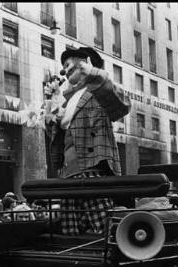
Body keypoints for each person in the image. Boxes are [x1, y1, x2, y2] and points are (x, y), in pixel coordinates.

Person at [47, 46, 130, 235]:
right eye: (63, 67)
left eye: (69, 65)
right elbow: (58, 139)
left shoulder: (97, 90)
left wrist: (92, 73)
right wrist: (50, 110)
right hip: (68, 173)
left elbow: (122, 105)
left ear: (85, 63)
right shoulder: (66, 100)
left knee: (104, 225)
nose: (64, 71)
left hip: (92, 168)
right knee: (70, 229)